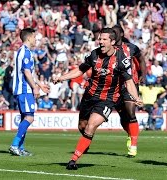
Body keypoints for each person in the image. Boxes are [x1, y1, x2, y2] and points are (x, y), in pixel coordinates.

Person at [53, 28, 142, 170]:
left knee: (91, 125)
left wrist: (136, 97)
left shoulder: (121, 60)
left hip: (107, 99)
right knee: (83, 126)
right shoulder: (94, 54)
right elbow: (80, 69)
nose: (100, 41)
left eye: (104, 39)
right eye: (100, 39)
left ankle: (73, 160)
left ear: (112, 42)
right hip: (89, 96)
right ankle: (85, 142)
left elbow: (129, 81)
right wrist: (61, 77)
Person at [9, 28, 50, 156]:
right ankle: (15, 145)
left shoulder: (24, 52)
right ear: (28, 38)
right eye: (34, 37)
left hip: (24, 88)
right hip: (24, 89)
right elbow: (27, 73)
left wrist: (40, 85)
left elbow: (30, 73)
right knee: (30, 117)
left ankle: (20, 147)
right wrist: (34, 87)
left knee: (24, 118)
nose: (35, 39)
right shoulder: (25, 52)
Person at [112, 25, 146, 157]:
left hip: (130, 83)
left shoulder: (131, 48)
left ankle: (133, 145)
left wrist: (143, 73)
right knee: (123, 116)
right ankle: (130, 134)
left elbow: (141, 59)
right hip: (115, 86)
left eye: (115, 32)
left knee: (131, 113)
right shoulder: (108, 48)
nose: (113, 35)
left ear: (121, 33)